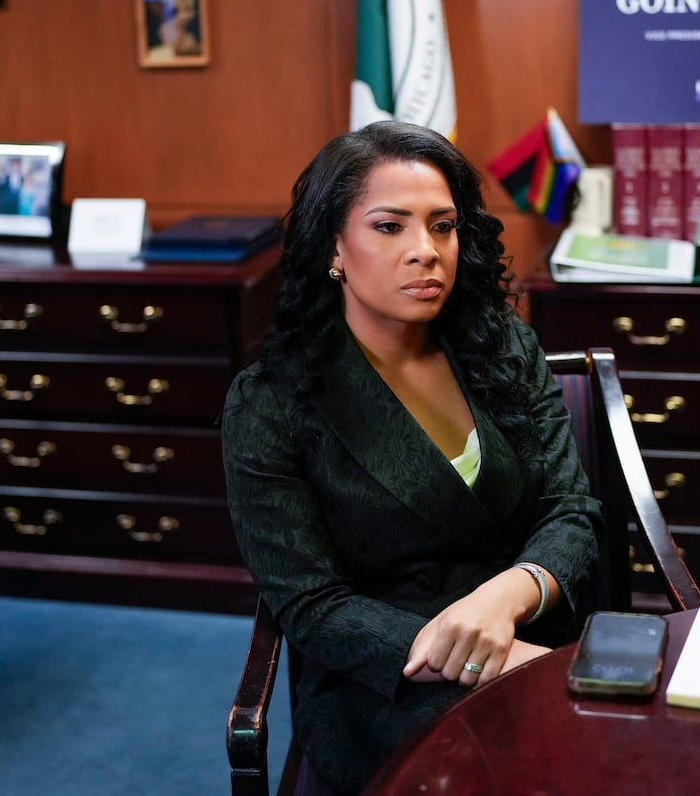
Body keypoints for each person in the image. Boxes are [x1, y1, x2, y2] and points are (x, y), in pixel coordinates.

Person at [221, 122, 602, 795]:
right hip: (387, 677)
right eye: (390, 226)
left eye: (443, 226)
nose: (426, 251)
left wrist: (505, 598)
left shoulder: (502, 345)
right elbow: (311, 605)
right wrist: (491, 657)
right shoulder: (272, 401)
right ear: (335, 245)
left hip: (539, 630)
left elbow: (570, 510)